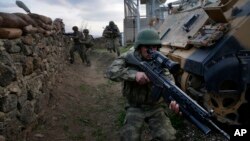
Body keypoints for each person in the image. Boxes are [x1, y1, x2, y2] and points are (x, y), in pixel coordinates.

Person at [106, 29, 180, 141]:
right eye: (147, 47)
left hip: (155, 107)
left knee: (169, 137)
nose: (152, 50)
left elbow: (170, 83)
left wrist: (173, 102)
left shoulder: (162, 61)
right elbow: (111, 72)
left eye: (155, 47)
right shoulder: (128, 57)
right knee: (129, 138)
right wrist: (134, 75)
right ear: (139, 47)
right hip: (134, 106)